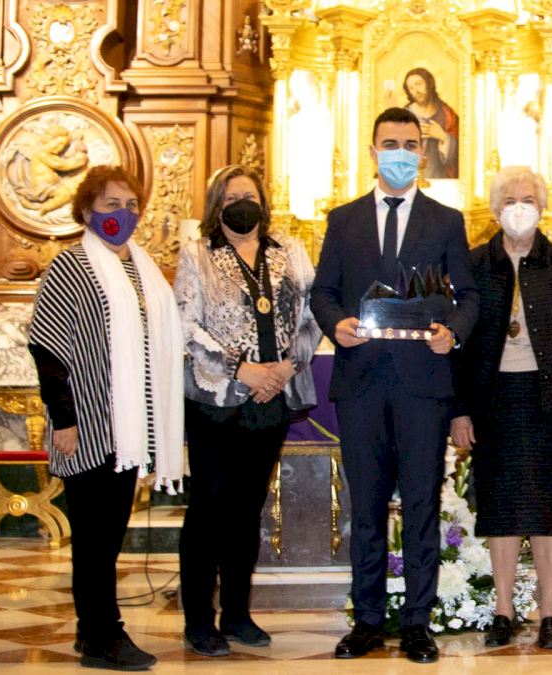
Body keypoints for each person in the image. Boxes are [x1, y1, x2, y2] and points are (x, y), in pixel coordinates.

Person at [312, 107, 479, 664]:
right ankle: (367, 620)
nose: (401, 153)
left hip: (422, 386)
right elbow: (323, 292)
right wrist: (334, 323)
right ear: (373, 151)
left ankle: (417, 623)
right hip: (361, 383)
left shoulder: (446, 221)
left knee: (422, 504)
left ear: (423, 154)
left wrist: (453, 332)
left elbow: (468, 296)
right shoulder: (343, 220)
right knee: (366, 507)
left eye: (411, 144)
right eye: (391, 144)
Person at [28, 165, 184, 671]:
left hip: (128, 429)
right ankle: (103, 636)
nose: (123, 214)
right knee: (94, 541)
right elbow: (47, 348)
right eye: (112, 204)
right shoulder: (71, 267)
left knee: (108, 538)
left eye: (132, 205)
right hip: (88, 426)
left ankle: (89, 630)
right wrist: (64, 420)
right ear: (87, 210)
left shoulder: (142, 267)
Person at [173, 165, 321, 656]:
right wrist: (242, 369)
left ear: (263, 203)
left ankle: (237, 613)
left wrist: (286, 367)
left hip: (273, 396)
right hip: (216, 399)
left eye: (250, 196)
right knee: (209, 509)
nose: (243, 204)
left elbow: (312, 315)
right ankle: (199, 619)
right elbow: (186, 324)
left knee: (246, 509)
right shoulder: (197, 254)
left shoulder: (289, 251)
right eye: (232, 197)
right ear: (217, 205)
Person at [450, 167, 552, 649]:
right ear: (495, 209)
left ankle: (551, 610)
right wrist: (460, 410)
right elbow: (458, 346)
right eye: (510, 200)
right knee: (501, 506)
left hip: (548, 399)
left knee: (550, 507)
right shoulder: (472, 265)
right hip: (493, 400)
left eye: (528, 199)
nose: (519, 207)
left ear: (542, 206)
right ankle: (504, 610)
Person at [403, 68, 459, 179]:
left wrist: (443, 136)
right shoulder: (404, 115)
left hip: (441, 179)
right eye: (411, 88)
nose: (416, 91)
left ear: (429, 83)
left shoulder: (447, 114)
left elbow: (463, 150)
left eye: (418, 84)